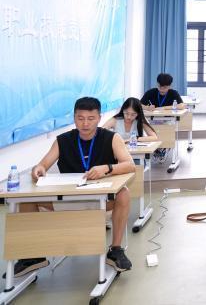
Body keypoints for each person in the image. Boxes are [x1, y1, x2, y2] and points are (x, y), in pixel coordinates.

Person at [12, 97, 135, 277]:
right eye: (80, 118)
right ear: (74, 118)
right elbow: (42, 165)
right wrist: (38, 169)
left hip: (99, 200)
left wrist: (107, 168)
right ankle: (33, 255)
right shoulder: (62, 140)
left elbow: (130, 165)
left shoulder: (111, 138)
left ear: (99, 118)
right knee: (26, 200)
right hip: (67, 200)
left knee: (124, 193)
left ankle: (115, 249)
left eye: (91, 118)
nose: (85, 123)